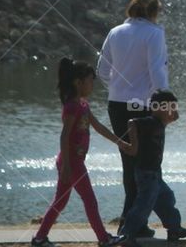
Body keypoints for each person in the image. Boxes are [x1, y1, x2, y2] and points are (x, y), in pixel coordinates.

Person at [31, 58, 131, 247]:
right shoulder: (72, 107)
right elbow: (64, 136)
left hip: (74, 162)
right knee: (90, 201)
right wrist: (67, 166)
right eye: (90, 80)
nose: (92, 84)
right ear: (78, 83)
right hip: (72, 162)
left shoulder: (83, 104)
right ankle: (103, 238)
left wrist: (120, 142)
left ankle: (39, 238)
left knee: (59, 202)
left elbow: (98, 127)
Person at [97, 0, 169, 237]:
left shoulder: (115, 32)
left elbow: (102, 70)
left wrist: (119, 88)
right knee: (148, 164)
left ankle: (134, 222)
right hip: (144, 105)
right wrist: (164, 101)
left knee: (129, 164)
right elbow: (157, 70)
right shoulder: (154, 33)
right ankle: (133, 225)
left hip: (117, 105)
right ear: (154, 11)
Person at [118, 91, 186, 245]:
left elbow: (176, 117)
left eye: (173, 107)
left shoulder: (161, 122)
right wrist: (134, 145)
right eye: (169, 107)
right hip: (146, 173)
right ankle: (126, 234)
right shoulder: (151, 122)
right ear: (157, 108)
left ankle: (174, 229)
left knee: (167, 199)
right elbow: (132, 122)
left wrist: (172, 108)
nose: (172, 111)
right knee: (143, 206)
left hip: (155, 174)